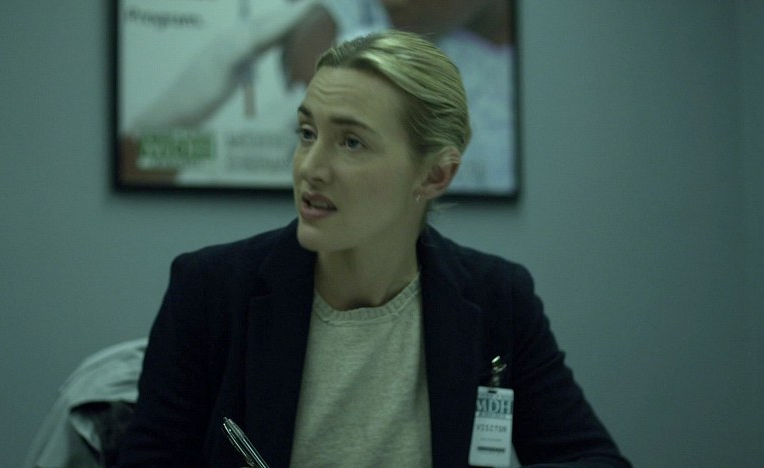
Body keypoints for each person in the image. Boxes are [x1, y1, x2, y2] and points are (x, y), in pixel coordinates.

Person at [115, 30, 630, 467]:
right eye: (307, 133)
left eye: (351, 142)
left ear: (435, 174)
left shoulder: (498, 299)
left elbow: (591, 458)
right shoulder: (210, 290)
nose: (310, 168)